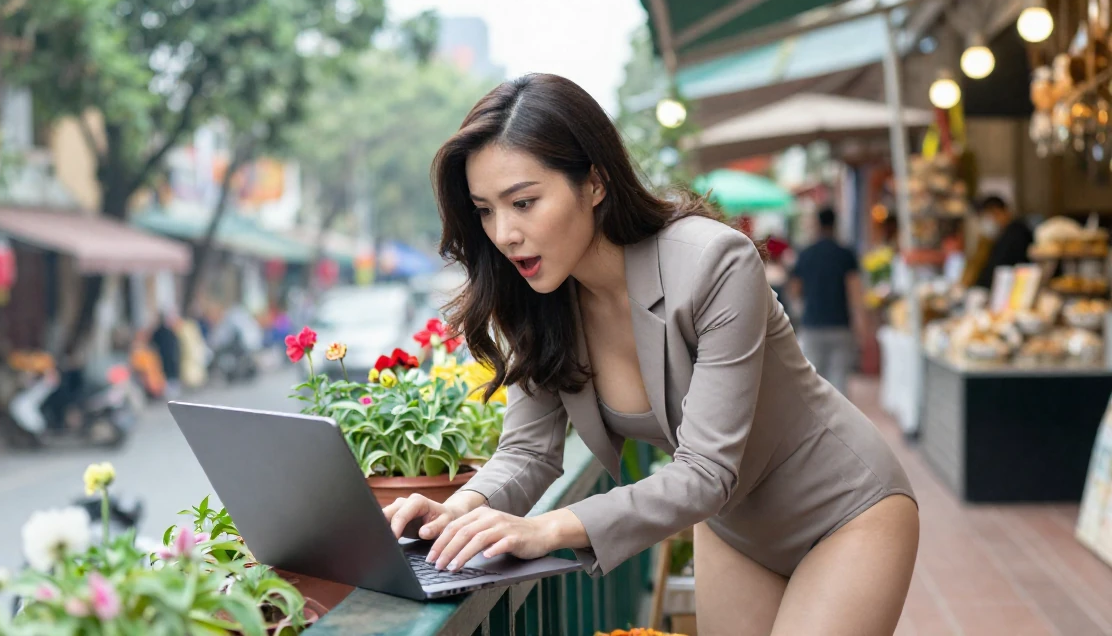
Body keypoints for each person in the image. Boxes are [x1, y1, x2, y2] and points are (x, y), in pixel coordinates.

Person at [383, 74, 918, 635]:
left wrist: (549, 529)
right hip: (734, 528)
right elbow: (528, 453)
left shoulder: (715, 264)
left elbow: (707, 469)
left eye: (523, 202)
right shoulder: (538, 300)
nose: (505, 233)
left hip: (846, 509)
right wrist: (460, 510)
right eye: (485, 211)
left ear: (594, 182)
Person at [787, 207, 867, 398]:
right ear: (835, 224)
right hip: (840, 325)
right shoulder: (845, 254)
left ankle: (817, 426)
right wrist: (861, 322)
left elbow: (795, 289)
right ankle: (837, 426)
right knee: (839, 382)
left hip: (812, 324)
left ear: (817, 224)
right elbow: (855, 292)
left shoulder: (806, 254)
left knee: (813, 381)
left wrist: (803, 303)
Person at [969, 195, 1032, 289]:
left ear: (998, 211)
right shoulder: (1002, 233)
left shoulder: (1017, 232)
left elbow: (1006, 263)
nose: (990, 220)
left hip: (1011, 287)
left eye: (989, 216)